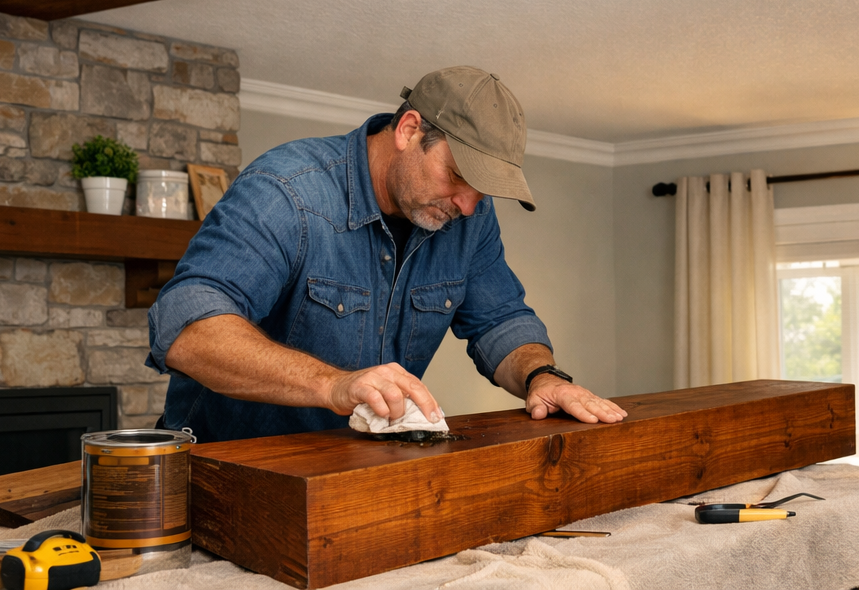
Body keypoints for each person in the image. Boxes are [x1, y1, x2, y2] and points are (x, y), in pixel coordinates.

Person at [147, 66, 626, 442]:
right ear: (410, 130)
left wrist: (542, 376)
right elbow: (187, 330)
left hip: (351, 469)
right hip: (223, 462)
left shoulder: (468, 216)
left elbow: (499, 319)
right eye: (458, 177)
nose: (467, 204)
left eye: (483, 192)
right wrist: (333, 385)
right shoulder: (286, 193)